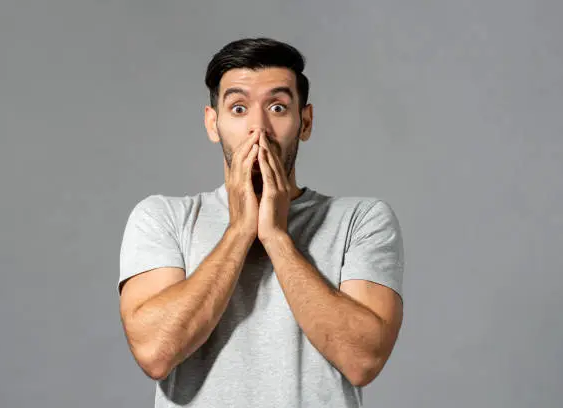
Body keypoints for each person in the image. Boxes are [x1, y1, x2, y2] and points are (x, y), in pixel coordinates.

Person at [117, 37, 404, 407]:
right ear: (212, 123)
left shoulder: (360, 220)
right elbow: (155, 352)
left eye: (278, 107)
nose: (259, 129)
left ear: (305, 122)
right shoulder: (162, 218)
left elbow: (363, 361)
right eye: (238, 108)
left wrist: (276, 237)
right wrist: (239, 231)